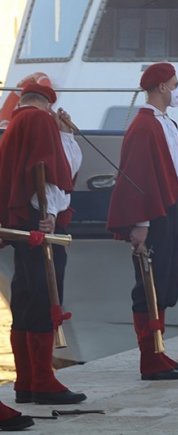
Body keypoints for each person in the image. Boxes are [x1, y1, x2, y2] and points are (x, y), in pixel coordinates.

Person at [107, 62, 178, 381]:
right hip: (156, 211)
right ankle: (149, 357)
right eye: (175, 84)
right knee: (149, 284)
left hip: (172, 203)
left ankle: (158, 349)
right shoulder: (145, 126)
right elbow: (138, 175)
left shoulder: (164, 122)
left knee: (165, 281)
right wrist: (141, 221)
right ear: (162, 87)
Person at [0, 83, 86, 404]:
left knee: (24, 298)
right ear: (47, 104)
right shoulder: (39, 120)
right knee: (43, 298)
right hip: (39, 223)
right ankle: (43, 382)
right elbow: (52, 171)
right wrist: (47, 212)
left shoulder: (15, 122)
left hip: (21, 222)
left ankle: (25, 382)